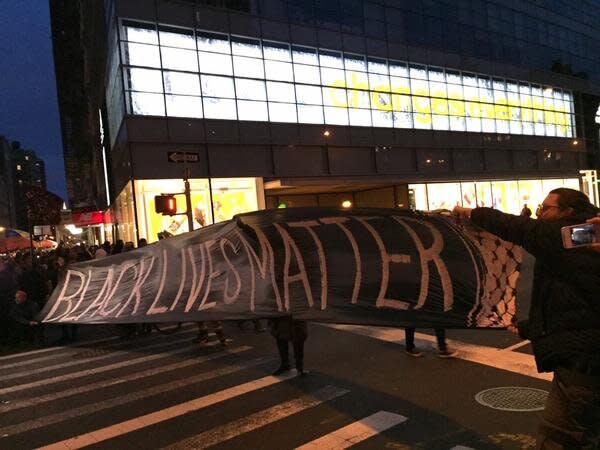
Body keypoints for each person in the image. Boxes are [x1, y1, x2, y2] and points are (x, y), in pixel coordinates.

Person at [454, 188, 600, 448]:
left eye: (546, 208)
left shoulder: (566, 235)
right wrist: (529, 328)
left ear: (568, 212)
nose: (540, 213)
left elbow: (518, 228)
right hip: (584, 355)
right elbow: (571, 303)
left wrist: (470, 213)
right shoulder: (585, 238)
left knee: (559, 435)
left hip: (584, 362)